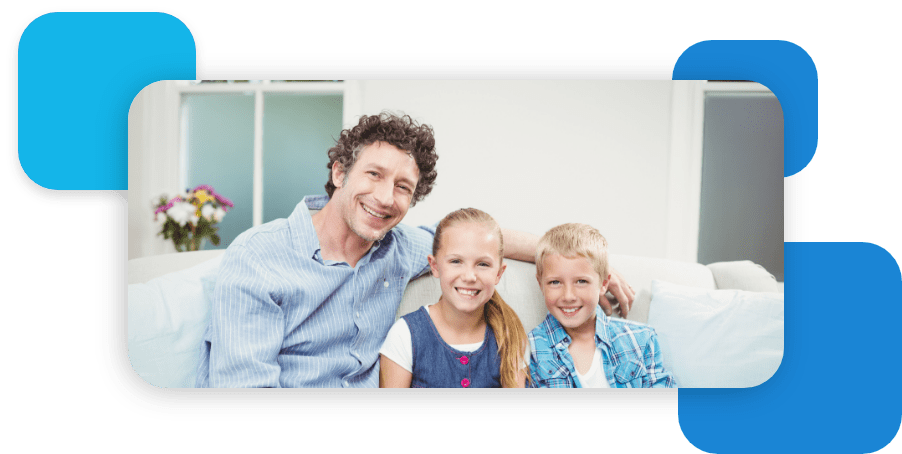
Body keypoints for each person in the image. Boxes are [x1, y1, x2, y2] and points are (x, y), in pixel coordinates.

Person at [196, 112, 635, 388]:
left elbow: (482, 237)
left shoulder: (399, 247)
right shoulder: (259, 258)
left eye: (403, 187)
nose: (386, 197)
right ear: (338, 172)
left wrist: (588, 262)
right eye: (373, 174)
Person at [379, 208, 529, 388]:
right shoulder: (405, 335)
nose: (469, 276)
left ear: (499, 273)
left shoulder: (510, 337)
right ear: (434, 266)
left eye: (483, 264)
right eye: (456, 261)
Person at [528, 223, 675, 388]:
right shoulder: (529, 349)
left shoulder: (640, 339)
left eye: (581, 281)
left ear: (604, 284)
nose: (568, 296)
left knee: (702, 409)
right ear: (540, 284)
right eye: (555, 282)